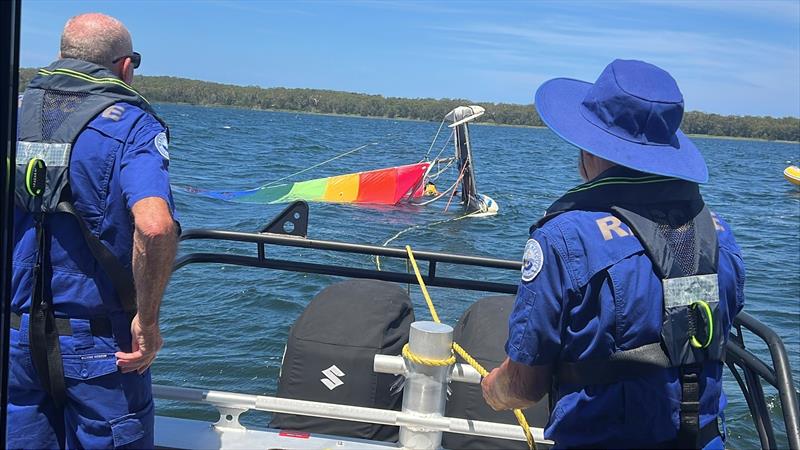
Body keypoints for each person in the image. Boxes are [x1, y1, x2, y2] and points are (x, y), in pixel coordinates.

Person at [481, 59, 745, 449]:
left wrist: (492, 388)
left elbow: (524, 385)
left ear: (590, 147)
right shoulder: (716, 232)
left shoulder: (563, 237)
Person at [8, 13, 178, 449]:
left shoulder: (14, 111)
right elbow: (155, 228)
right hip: (98, 343)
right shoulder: (133, 126)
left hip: (13, 336)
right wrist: (149, 321)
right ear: (125, 66)